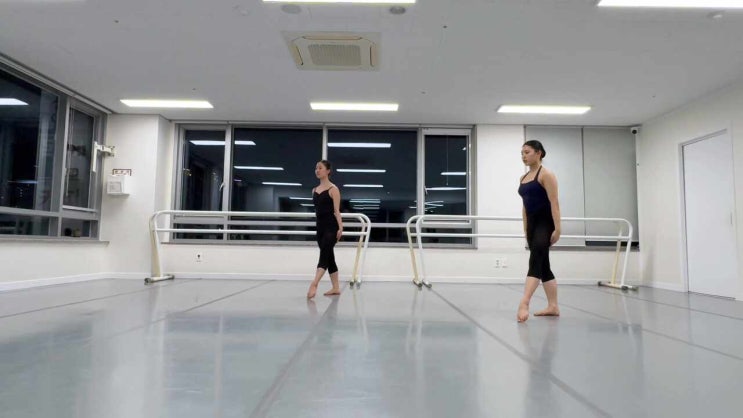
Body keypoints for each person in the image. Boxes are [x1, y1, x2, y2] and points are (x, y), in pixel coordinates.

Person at [517, 140, 561, 322]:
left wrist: (558, 228)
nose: (523, 156)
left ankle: (524, 303)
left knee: (535, 260)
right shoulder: (523, 178)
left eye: (527, 152)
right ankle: (553, 306)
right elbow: (525, 206)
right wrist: (525, 227)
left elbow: (554, 202)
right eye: (522, 153)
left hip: (545, 223)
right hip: (532, 225)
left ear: (539, 153)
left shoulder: (546, 175)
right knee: (544, 266)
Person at [307, 160, 343, 299]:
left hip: (331, 228)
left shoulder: (333, 189)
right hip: (320, 228)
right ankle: (336, 287)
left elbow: (336, 211)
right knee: (329, 257)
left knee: (323, 256)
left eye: (320, 168)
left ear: (328, 171)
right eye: (316, 168)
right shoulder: (314, 190)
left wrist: (340, 227)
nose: (317, 170)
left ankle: (314, 283)